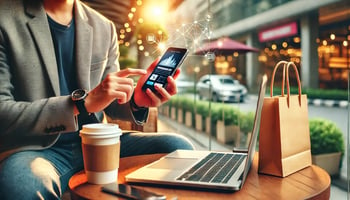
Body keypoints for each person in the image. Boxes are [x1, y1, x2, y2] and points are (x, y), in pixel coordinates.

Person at [0, 0, 194, 199]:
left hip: (101, 142)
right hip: (36, 149)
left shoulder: (104, 26)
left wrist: (136, 100)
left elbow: (109, 103)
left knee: (180, 149)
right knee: (21, 187)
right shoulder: (5, 18)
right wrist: (80, 104)